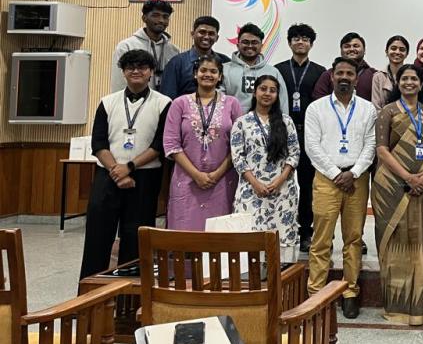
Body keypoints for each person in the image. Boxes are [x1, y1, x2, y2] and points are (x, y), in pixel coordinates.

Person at [80, 49, 172, 279]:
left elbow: (160, 144)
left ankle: (128, 301)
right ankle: (89, 295)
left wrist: (129, 168)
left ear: (150, 72)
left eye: (142, 67)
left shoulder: (164, 103)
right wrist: (117, 170)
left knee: (135, 240)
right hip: (107, 177)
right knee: (97, 237)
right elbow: (99, 143)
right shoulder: (107, 102)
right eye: (130, 67)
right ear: (123, 72)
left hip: (144, 178)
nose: (136, 71)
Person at [372, 64, 423, 325]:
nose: (409, 83)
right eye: (404, 78)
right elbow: (381, 150)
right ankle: (396, 305)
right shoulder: (387, 112)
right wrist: (408, 177)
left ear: (421, 83)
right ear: (398, 82)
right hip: (391, 186)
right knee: (394, 241)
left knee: (420, 240)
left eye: (414, 78)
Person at [305, 57, 377, 318]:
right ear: (332, 77)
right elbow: (312, 146)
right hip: (326, 178)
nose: (344, 77)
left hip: (357, 180)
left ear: (357, 78)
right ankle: (315, 294)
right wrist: (337, 174)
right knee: (321, 239)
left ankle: (350, 291)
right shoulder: (316, 108)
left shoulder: (368, 109)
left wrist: (354, 172)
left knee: (354, 239)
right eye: (339, 73)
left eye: (349, 73)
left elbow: (371, 144)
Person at [163, 54, 243, 230]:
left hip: (223, 179)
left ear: (220, 76)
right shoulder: (179, 103)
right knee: (185, 232)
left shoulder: (232, 104)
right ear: (195, 74)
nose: (208, 74)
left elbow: (239, 145)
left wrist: (217, 174)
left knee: (219, 233)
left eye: (214, 71)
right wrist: (196, 175)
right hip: (186, 178)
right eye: (203, 70)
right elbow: (171, 144)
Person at [231, 76, 300, 262]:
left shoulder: (286, 121)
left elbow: (294, 154)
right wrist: (255, 183)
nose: (267, 93)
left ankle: (281, 285)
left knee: (281, 241)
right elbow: (238, 157)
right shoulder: (241, 122)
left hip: (283, 191)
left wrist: (280, 180)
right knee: (251, 240)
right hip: (252, 191)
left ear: (277, 95)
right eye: (263, 89)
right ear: (255, 92)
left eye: (272, 90)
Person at [274, 23, 326, 252]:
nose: (300, 42)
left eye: (305, 38)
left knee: (307, 184)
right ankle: (278, 229)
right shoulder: (277, 69)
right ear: (289, 42)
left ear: (311, 44)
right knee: (278, 180)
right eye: (295, 38)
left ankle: (306, 231)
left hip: (310, 132)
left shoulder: (320, 71)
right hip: (282, 131)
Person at [110, 0, 179, 92]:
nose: (161, 20)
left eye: (165, 17)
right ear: (144, 18)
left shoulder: (174, 50)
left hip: (166, 103)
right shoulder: (126, 46)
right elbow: (118, 83)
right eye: (155, 15)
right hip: (134, 103)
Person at [159, 16, 230, 99]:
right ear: (192, 34)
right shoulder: (177, 63)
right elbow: (167, 98)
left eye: (211, 34)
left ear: (217, 38)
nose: (206, 37)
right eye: (202, 32)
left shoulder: (225, 62)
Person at [223, 23, 288, 114]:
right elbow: (218, 102)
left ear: (261, 46)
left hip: (266, 125)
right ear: (238, 45)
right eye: (245, 42)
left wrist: (282, 125)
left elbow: (282, 103)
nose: (250, 46)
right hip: (232, 126)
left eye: (254, 42)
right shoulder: (223, 70)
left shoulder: (273, 72)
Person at [312, 32, 377, 102]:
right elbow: (319, 101)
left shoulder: (374, 75)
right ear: (341, 50)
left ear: (364, 50)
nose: (351, 49)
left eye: (356, 46)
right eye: (347, 46)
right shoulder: (328, 75)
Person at [371, 35, 410, 110]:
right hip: (384, 118)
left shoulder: (412, 75)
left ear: (407, 54)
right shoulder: (378, 77)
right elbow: (376, 107)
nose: (397, 52)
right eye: (393, 48)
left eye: (402, 49)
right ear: (386, 51)